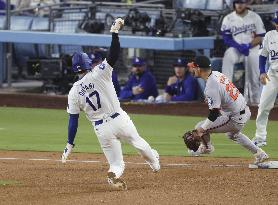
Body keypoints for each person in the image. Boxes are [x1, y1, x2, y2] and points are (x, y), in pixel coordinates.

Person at [61, 18, 160, 190]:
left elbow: (73, 121)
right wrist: (114, 33)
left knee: (117, 163)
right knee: (138, 142)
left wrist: (70, 144)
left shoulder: (74, 92)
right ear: (88, 64)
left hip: (101, 129)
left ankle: (113, 174)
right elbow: (113, 54)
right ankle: (155, 164)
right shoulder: (99, 72)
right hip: (119, 118)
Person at [187, 55, 268, 164]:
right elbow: (224, 91)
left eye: (193, 67)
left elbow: (214, 113)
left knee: (199, 127)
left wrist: (202, 130)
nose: (192, 69)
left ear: (199, 69)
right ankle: (260, 153)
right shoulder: (217, 74)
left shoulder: (211, 86)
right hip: (244, 110)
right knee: (232, 134)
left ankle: (206, 148)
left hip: (234, 117)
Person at [221, 0, 266, 105]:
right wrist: (238, 46)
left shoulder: (255, 17)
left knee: (253, 68)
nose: (239, 5)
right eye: (237, 2)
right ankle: (226, 95)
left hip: (252, 48)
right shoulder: (228, 18)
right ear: (234, 4)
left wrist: (248, 45)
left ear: (246, 4)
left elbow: (260, 37)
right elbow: (226, 38)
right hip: (236, 48)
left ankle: (255, 99)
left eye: (241, 2)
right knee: (228, 56)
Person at [252, 10, 278, 147]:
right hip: (272, 75)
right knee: (263, 106)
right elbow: (263, 56)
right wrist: (262, 71)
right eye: (276, 23)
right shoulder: (270, 35)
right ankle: (260, 138)